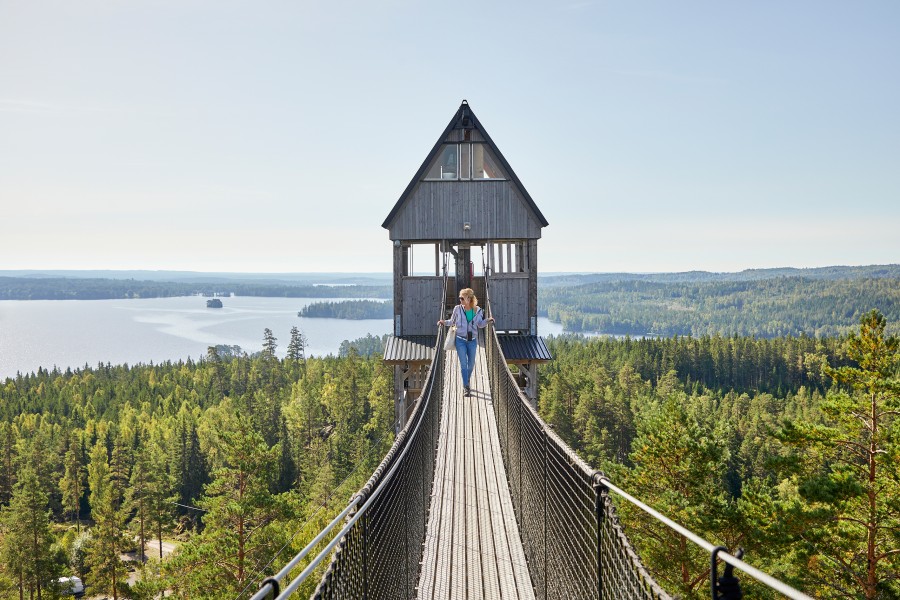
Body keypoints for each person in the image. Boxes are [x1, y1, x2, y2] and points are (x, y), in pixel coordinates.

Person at [437, 288, 494, 396]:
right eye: (460, 298)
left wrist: (488, 320)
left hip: (472, 341)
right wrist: (443, 322)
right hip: (460, 340)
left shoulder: (478, 311)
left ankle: (466, 380)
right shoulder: (457, 309)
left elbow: (480, 324)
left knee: (471, 364)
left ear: (469, 299)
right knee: (463, 364)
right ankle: (466, 387)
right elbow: (452, 321)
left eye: (462, 298)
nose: (460, 300)